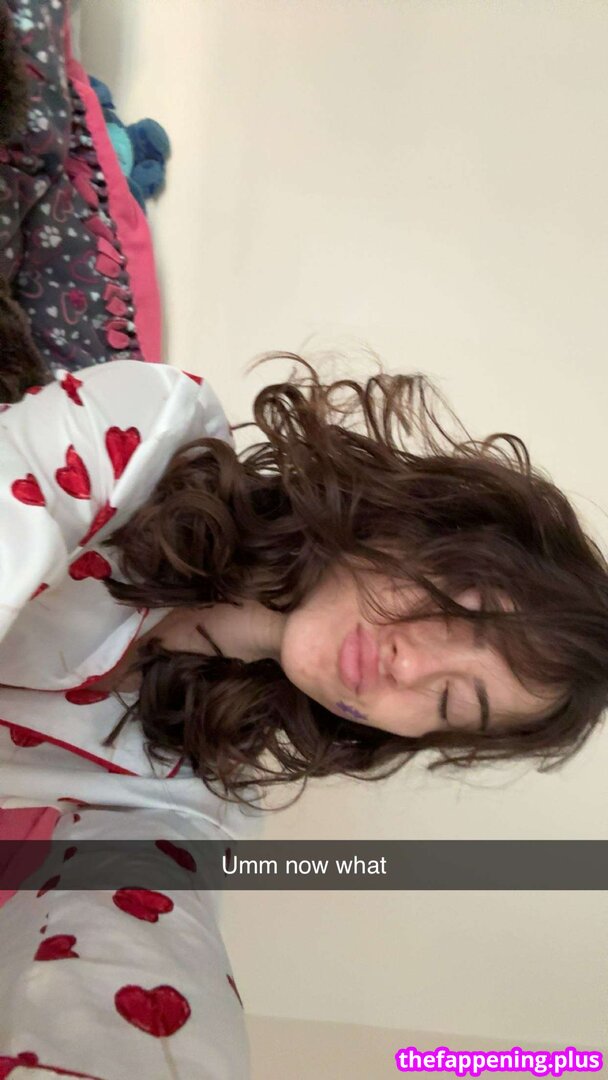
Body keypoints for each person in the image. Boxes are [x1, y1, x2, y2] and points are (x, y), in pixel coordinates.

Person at [1, 351, 607, 814]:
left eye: (449, 701)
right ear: (411, 529)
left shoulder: (188, 785)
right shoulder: (151, 435)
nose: (410, 666)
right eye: (451, 610)